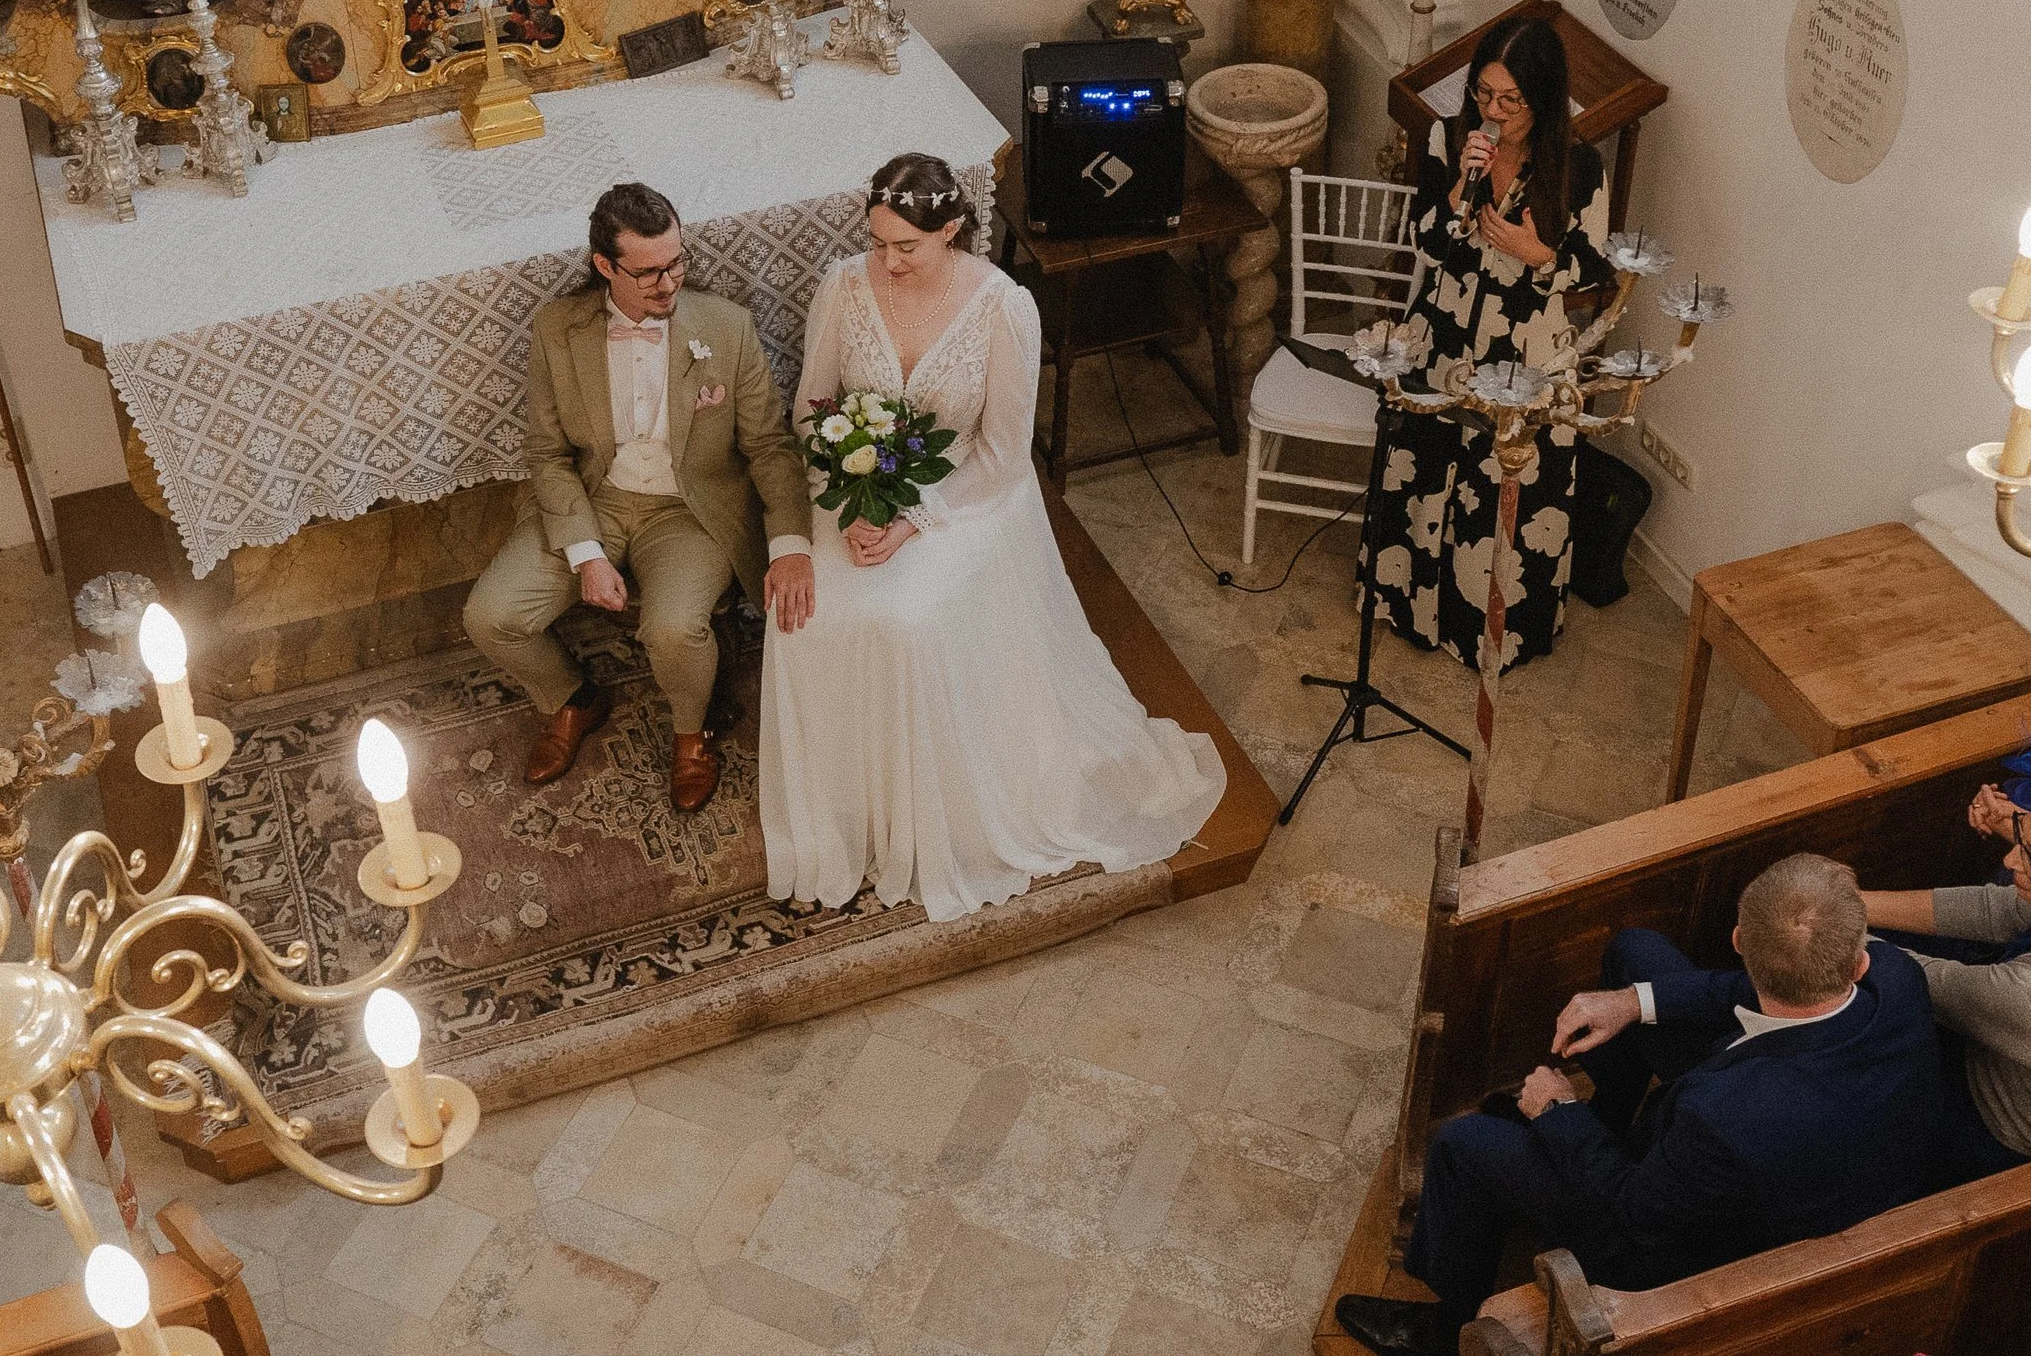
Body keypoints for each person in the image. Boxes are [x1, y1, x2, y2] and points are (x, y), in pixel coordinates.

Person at [759, 153, 1226, 921]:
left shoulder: (1003, 307)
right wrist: (847, 503)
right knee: (806, 614)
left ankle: (927, 815)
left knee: (907, 622)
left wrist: (912, 521)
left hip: (965, 499)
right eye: (878, 242)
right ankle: (845, 813)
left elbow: (1005, 457)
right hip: (851, 495)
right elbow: (814, 407)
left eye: (906, 246)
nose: (887, 261)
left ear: (951, 231)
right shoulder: (844, 287)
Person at [1335, 854, 1940, 1355]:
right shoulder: (1895, 978)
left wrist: (1559, 1111)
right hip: (1802, 1111)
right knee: (1636, 954)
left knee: (1463, 1145)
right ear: (1857, 959)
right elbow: (1760, 988)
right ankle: (1602, 1120)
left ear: (1737, 942)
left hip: (1683, 1248)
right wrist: (1632, 1002)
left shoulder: (1722, 1116)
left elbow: (1634, 1212)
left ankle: (1446, 1322)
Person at [462, 184, 816, 813]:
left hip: (691, 511)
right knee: (490, 615)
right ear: (605, 266)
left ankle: (691, 733)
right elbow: (548, 454)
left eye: (677, 263)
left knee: (675, 630)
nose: (668, 283)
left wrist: (789, 545)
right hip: (594, 500)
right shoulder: (557, 330)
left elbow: (770, 446)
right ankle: (573, 698)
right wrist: (586, 553)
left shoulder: (725, 327)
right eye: (649, 272)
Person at [1360, 17, 1613, 671]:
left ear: (1544, 98)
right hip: (1441, 339)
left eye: (1510, 100)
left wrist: (1538, 254)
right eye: (1483, 94)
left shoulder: (1582, 167)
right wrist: (1456, 194)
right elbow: (1428, 242)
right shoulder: (1449, 138)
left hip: (1526, 356)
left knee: (1505, 500)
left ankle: (1490, 632)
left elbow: (1594, 267)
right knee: (1425, 476)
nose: (1493, 111)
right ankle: (1409, 606)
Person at [1861, 721, 2031, 1187]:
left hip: (1990, 1126)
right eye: (2020, 841)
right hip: (2013, 1045)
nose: (2010, 861)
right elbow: (1996, 910)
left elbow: (1926, 980)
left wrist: (1817, 915)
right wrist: (1857, 901)